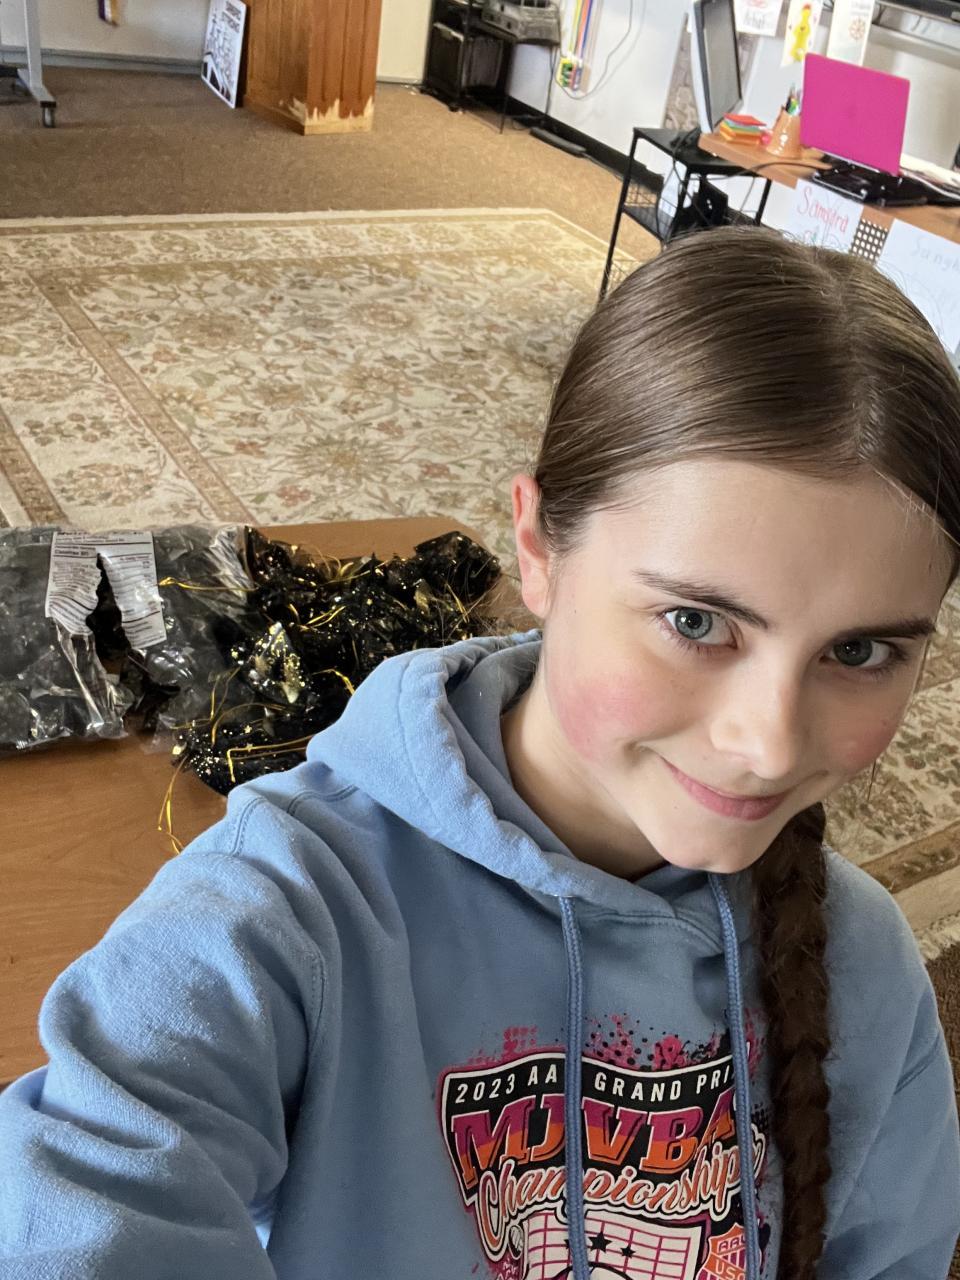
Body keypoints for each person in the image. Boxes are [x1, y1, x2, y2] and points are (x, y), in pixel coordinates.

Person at [1, 226, 959, 1280]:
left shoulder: (863, 964)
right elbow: (87, 1194)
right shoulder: (286, 912)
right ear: (537, 549)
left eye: (858, 652)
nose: (766, 743)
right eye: (695, 622)